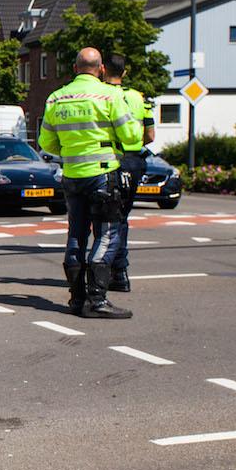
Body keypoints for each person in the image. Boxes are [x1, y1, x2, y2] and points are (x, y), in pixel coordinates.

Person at [39, 47, 142, 319]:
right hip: (103, 174)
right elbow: (132, 137)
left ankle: (76, 299)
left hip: (72, 175)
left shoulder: (56, 98)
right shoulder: (110, 95)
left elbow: (46, 143)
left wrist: (73, 152)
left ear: (75, 69)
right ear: (102, 70)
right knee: (108, 234)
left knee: (76, 234)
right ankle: (97, 300)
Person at [102, 52, 155, 292]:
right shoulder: (138, 98)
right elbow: (151, 136)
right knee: (122, 217)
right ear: (124, 73)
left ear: (103, 70)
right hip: (135, 162)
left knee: (108, 219)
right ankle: (120, 271)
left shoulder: (101, 95)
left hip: (111, 160)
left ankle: (115, 270)